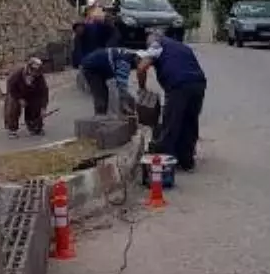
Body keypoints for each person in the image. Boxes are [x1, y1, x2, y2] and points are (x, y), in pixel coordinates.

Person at [136, 31, 206, 172]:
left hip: (179, 86)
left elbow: (141, 67)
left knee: (171, 123)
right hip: (198, 83)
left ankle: (166, 163)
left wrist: (142, 88)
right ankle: (187, 161)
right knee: (190, 122)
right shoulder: (182, 47)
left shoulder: (157, 44)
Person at [79, 46, 139, 116]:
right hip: (91, 68)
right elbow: (122, 85)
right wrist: (125, 103)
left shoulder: (128, 53)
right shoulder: (124, 61)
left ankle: (103, 115)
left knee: (105, 93)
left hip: (99, 65)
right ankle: (99, 118)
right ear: (137, 59)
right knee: (100, 95)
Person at [4, 57, 49, 137]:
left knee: (36, 103)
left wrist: (43, 107)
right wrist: (19, 98)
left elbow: (44, 92)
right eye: (33, 70)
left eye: (37, 71)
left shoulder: (39, 77)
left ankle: (33, 125)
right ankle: (12, 128)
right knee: (13, 105)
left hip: (31, 94)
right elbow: (11, 89)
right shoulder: (16, 75)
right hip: (16, 93)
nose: (34, 73)